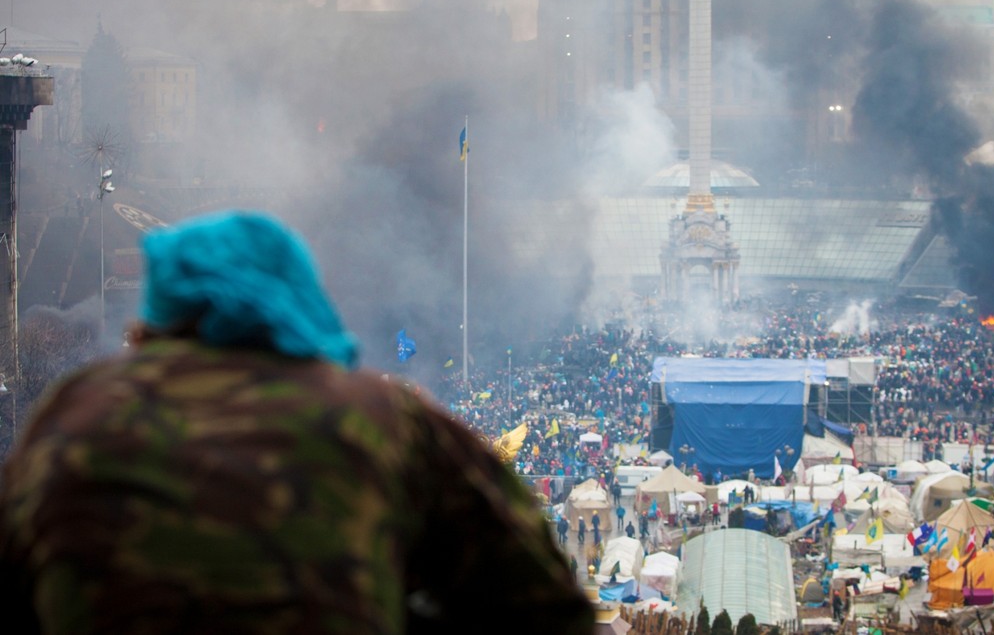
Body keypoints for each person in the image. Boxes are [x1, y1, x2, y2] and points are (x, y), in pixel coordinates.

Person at [0, 210, 593, 635]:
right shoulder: (380, 418)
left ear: (159, 313)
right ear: (299, 301)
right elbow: (545, 605)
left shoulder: (72, 414)